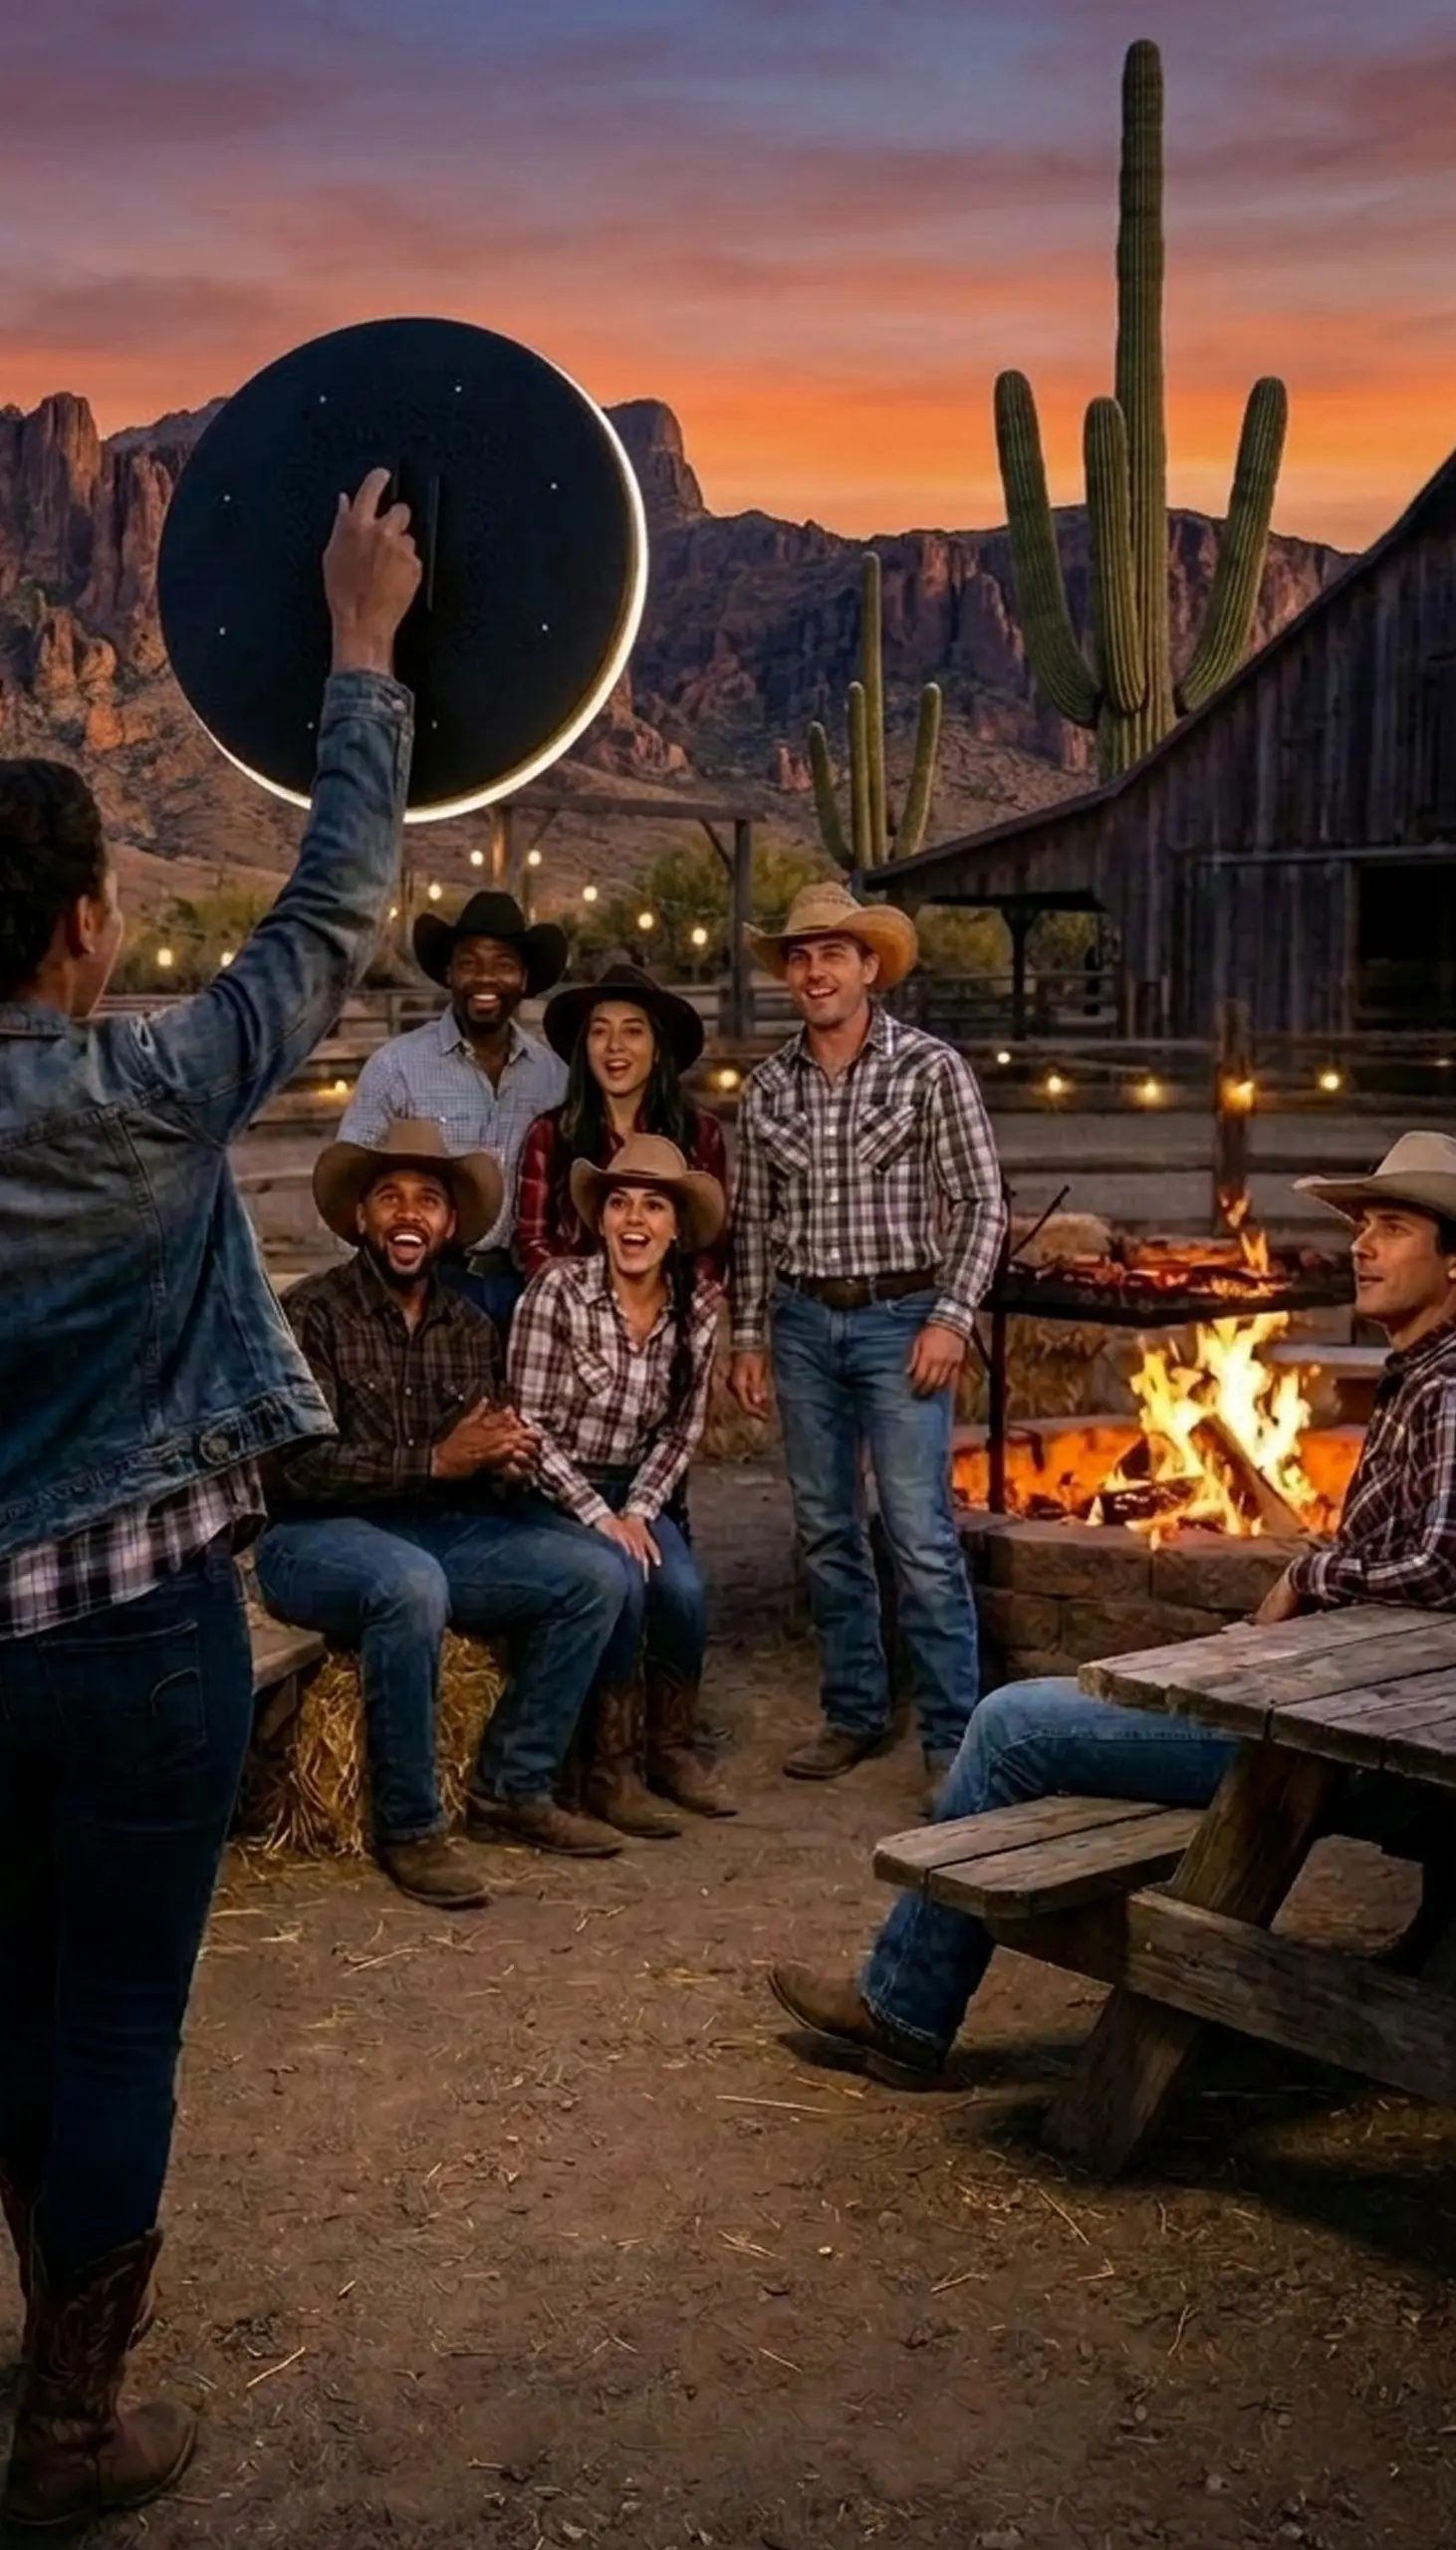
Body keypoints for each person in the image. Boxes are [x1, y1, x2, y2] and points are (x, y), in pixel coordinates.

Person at [0, 472, 420, 2532]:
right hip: (143, 1643)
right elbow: (329, 917)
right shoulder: (151, 1088)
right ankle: (70, 2422)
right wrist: (362, 656)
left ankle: (52, 2370)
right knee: (112, 2023)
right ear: (88, 923)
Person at [770, 1132, 1456, 2084]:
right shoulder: (1420, 1376)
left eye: (1392, 1228)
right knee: (1101, 1701)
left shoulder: (1449, 1389)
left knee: (1009, 1727)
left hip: (1349, 1743)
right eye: (1362, 1225)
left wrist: (1308, 1578)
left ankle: (903, 2011)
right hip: (1337, 1708)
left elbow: (1438, 1565)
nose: (1362, 1246)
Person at [256, 1120, 636, 1892]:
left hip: (437, 1531)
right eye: (389, 1197)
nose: (409, 1214)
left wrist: (504, 1461)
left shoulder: (468, 1326)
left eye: (427, 1200)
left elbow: (477, 1469)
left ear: (450, 1224)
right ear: (360, 1217)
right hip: (312, 1537)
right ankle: (409, 1828)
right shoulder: (310, 1315)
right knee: (411, 1584)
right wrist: (436, 1461)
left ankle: (513, 1784)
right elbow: (292, 1471)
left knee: (597, 1575)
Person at [727, 880, 1006, 1807]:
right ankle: (854, 1710)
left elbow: (981, 1201)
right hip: (804, 1323)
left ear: (869, 967)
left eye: (833, 955)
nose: (815, 971)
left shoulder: (929, 1069)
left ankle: (954, 1739)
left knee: (920, 1533)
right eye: (801, 957)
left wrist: (951, 1316)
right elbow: (752, 1225)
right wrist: (748, 1337)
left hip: (901, 1319)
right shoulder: (766, 1089)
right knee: (825, 1528)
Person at [510, 1134, 735, 1829]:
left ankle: (669, 1748)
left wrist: (637, 1508)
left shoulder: (698, 1309)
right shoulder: (559, 1292)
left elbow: (680, 1434)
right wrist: (599, 1516)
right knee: (623, 1582)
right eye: (620, 1203)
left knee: (683, 1590)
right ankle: (609, 1768)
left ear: (677, 1228)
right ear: (601, 1219)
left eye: (654, 1206)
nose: (634, 1220)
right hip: (552, 1490)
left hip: (635, 1488)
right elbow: (527, 1427)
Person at [340, 889, 569, 1333]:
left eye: (503, 965)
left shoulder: (553, 1077)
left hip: (524, 1284)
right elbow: (351, 1183)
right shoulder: (397, 1066)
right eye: (469, 963)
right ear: (449, 973)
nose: (485, 978)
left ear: (524, 978)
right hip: (427, 1277)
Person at [515, 956, 729, 1284]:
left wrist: (665, 1299)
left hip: (672, 1307)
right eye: (600, 1031)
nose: (615, 1046)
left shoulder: (699, 1133)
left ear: (657, 1049)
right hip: (572, 1305)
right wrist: (587, 1299)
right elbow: (532, 1243)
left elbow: (710, 1244)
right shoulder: (549, 1134)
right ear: (585, 1047)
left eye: (632, 1031)